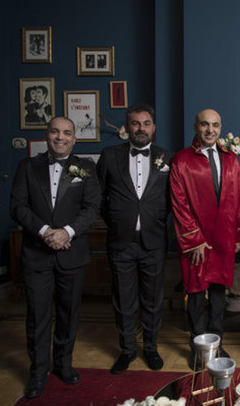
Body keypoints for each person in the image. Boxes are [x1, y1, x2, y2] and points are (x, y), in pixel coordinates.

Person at [9, 116, 100, 399]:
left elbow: (92, 207)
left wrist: (67, 232)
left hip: (72, 254)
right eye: (55, 131)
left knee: (68, 314)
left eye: (66, 133)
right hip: (36, 254)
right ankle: (37, 373)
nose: (60, 137)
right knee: (37, 317)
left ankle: (63, 364)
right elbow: (17, 207)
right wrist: (46, 231)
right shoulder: (27, 167)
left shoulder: (86, 168)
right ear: (47, 135)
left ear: (74, 138)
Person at [170, 109, 240, 370]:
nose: (210, 130)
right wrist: (195, 240)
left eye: (215, 125)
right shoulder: (182, 160)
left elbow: (238, 199)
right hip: (196, 242)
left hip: (223, 237)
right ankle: (198, 346)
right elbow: (179, 203)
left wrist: (238, 236)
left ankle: (216, 343)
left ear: (220, 127)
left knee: (217, 293)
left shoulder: (230, 158)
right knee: (195, 294)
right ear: (196, 126)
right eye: (204, 124)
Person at [96, 103, 172, 374]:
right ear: (127, 127)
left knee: (152, 300)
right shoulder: (109, 155)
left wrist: (158, 219)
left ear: (153, 127)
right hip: (121, 242)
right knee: (124, 299)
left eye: (146, 123)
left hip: (154, 241)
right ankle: (127, 350)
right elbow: (97, 197)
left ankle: (150, 348)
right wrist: (117, 220)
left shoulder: (167, 157)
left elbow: (173, 198)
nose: (141, 128)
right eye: (136, 123)